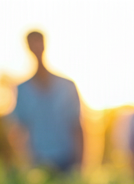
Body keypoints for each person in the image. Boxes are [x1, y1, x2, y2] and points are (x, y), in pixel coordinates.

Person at [9, 31, 83, 171]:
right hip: (37, 163)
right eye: (32, 43)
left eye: (39, 42)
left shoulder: (66, 86)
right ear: (28, 47)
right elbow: (18, 131)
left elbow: (77, 127)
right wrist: (24, 163)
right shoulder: (22, 90)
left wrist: (80, 164)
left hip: (68, 161)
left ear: (45, 44)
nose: (36, 47)